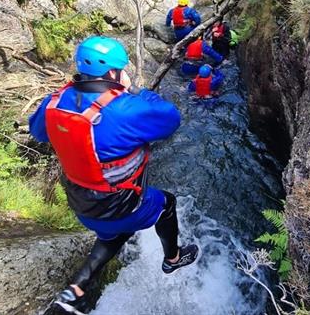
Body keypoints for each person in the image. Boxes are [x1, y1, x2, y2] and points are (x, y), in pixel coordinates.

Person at [29, 36, 200, 315]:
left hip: (81, 203)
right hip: (121, 205)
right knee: (166, 204)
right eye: (122, 68)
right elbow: (171, 119)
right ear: (112, 73)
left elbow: (38, 131)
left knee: (112, 235)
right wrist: (140, 93)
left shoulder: (54, 102)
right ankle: (173, 258)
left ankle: (74, 292)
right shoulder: (126, 108)